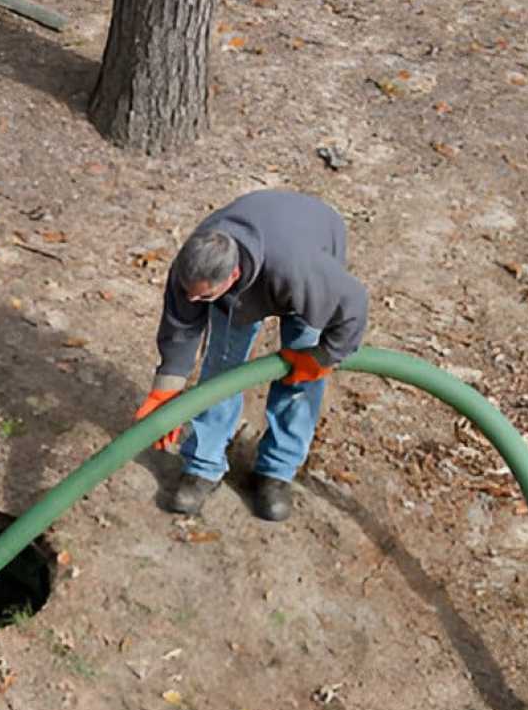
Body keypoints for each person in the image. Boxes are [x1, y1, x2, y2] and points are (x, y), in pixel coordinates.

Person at [134, 190, 368, 522]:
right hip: (262, 250)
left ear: (232, 276)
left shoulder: (301, 269)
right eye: (190, 293)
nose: (191, 299)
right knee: (220, 369)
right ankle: (203, 465)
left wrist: (323, 357)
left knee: (301, 378)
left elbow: (354, 306)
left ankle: (278, 470)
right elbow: (181, 324)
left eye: (204, 296)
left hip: (309, 240)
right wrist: (167, 384)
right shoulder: (194, 268)